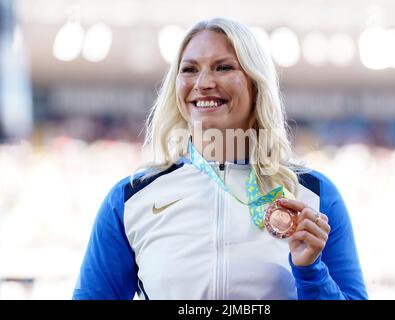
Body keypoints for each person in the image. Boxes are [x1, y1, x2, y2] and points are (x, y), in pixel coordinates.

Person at [72, 17, 368, 300]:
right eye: (189, 69)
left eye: (223, 67)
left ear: (255, 84)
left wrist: (311, 272)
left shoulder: (314, 197)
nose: (203, 82)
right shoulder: (130, 199)